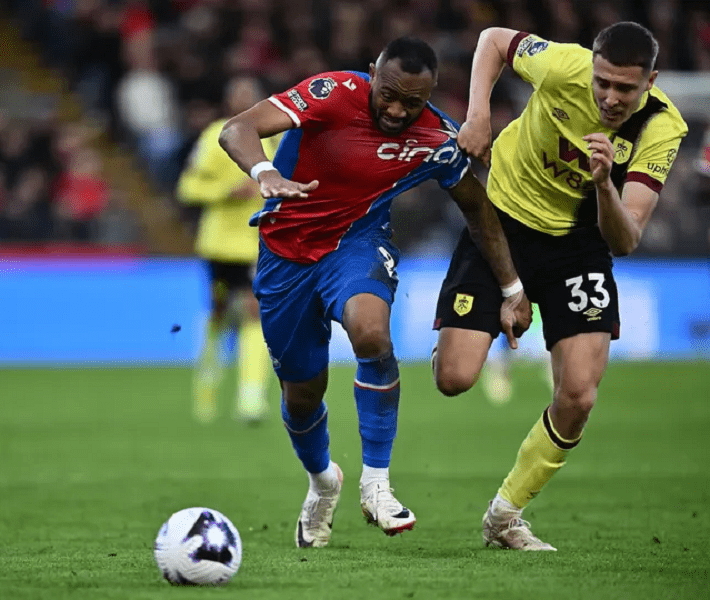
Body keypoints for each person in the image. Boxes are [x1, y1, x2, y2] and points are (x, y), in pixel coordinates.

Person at [219, 36, 532, 548]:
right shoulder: (331, 92)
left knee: (370, 333)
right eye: (387, 94)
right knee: (302, 394)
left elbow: (476, 208)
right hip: (285, 257)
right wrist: (266, 172)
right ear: (371, 73)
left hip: (356, 245)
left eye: (412, 101)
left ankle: (377, 483)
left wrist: (512, 287)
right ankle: (323, 482)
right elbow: (238, 129)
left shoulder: (435, 137)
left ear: (429, 93)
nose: (395, 109)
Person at [432, 22, 688, 550]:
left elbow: (626, 238)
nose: (610, 98)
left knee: (578, 395)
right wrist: (478, 115)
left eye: (625, 88)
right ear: (590, 68)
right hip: (502, 222)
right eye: (603, 83)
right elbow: (492, 40)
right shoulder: (562, 64)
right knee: (454, 377)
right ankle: (482, 318)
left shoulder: (661, 127)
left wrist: (603, 185)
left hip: (579, 246)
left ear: (651, 82)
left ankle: (505, 515)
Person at [176, 76, 279, 424]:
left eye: (252, 96)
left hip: (257, 246)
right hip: (219, 246)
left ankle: (250, 399)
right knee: (219, 317)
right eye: (239, 96)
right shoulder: (214, 136)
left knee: (253, 312)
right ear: (228, 101)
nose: (245, 101)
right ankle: (205, 390)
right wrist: (226, 190)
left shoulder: (278, 138)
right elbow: (187, 187)